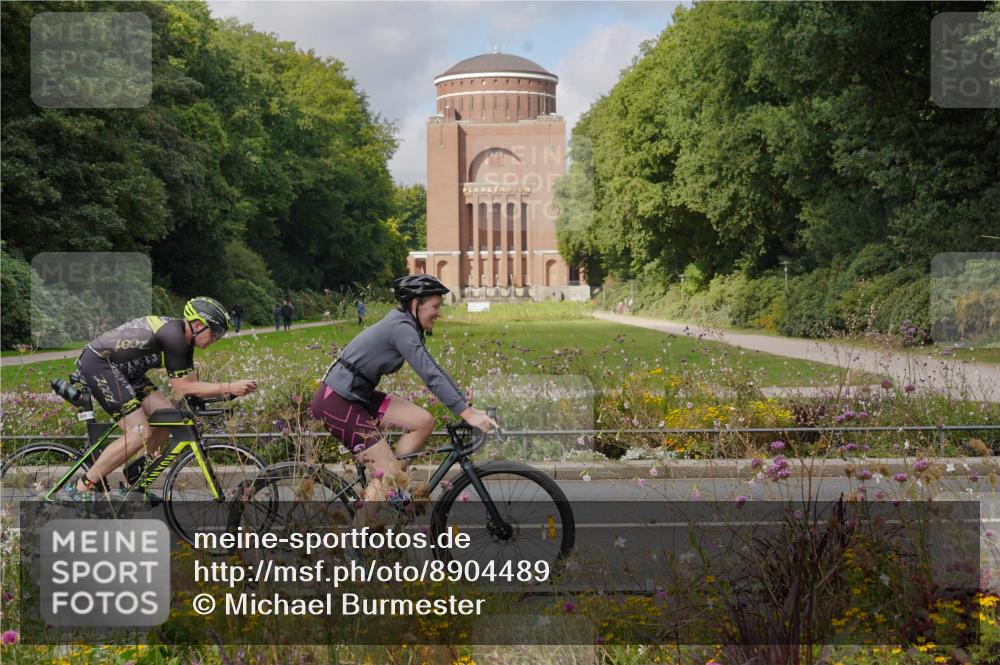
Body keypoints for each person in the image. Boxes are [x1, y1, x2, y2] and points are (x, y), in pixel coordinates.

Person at [309, 275, 496, 505]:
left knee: (423, 421)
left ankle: (390, 486)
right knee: (387, 476)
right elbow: (429, 374)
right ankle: (358, 534)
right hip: (336, 401)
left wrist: (467, 408)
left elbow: (433, 368)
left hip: (357, 396)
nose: (439, 313)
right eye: (435, 306)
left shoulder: (406, 325)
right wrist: (466, 415)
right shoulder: (401, 327)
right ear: (415, 304)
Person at [67, 297, 257, 499]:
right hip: (99, 365)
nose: (217, 338)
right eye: (216, 332)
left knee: (167, 418)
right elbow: (184, 388)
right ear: (198, 325)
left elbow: (192, 385)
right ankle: (82, 487)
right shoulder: (174, 337)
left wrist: (225, 393)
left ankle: (134, 483)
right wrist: (229, 387)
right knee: (138, 432)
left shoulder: (185, 339)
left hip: (128, 373)